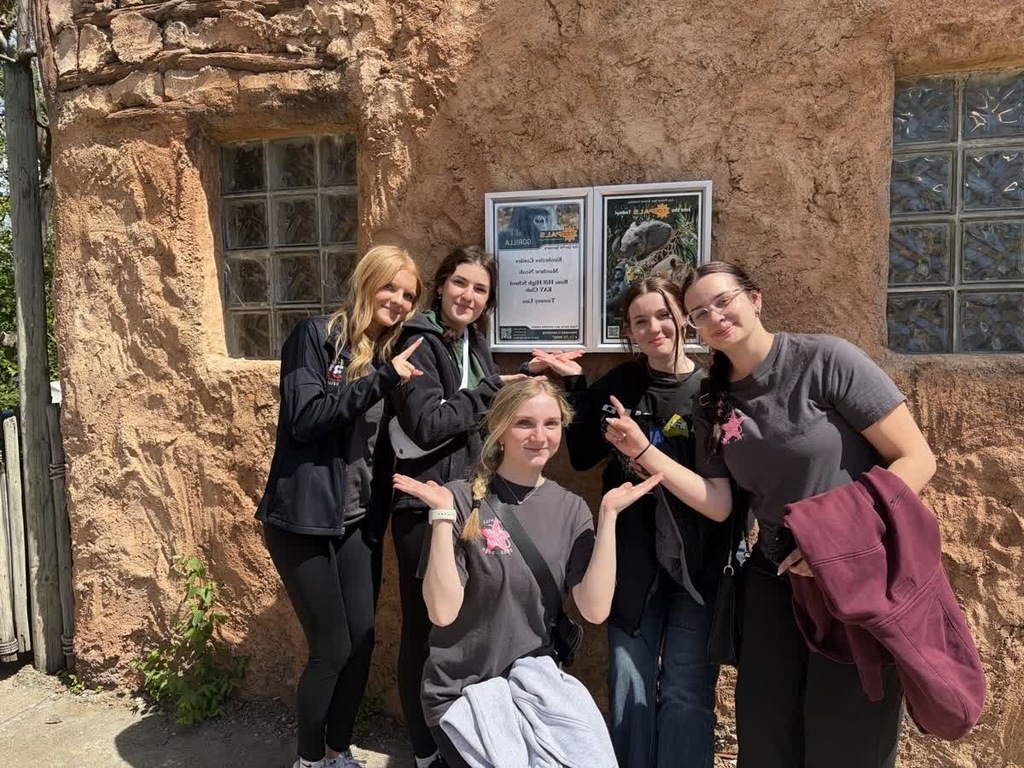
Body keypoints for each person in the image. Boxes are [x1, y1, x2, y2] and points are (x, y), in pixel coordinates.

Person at [603, 261, 937, 768]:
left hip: (854, 571)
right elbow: (718, 503)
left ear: (754, 298)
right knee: (765, 738)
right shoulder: (713, 402)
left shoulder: (825, 359)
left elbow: (916, 459)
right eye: (698, 313)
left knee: (846, 740)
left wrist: (836, 540)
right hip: (774, 576)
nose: (714, 317)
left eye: (722, 301)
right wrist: (643, 452)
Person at [392, 377, 663, 768]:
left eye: (551, 424)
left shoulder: (571, 509)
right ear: (499, 429)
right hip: (461, 692)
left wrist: (608, 517)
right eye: (525, 423)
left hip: (535, 687)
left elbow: (595, 608)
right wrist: (440, 516)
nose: (540, 436)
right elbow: (442, 612)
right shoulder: (458, 497)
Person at [529, 276, 724, 768]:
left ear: (683, 316)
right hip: (631, 564)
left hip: (696, 569)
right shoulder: (620, 384)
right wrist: (575, 385)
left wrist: (645, 448)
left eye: (663, 315)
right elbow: (581, 456)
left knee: (686, 690)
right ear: (629, 331)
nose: (654, 328)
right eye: (641, 321)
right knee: (629, 687)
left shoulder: (711, 392)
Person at [255, 245, 425, 768]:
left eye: (408, 295)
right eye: (391, 287)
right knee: (330, 649)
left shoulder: (389, 356)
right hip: (300, 520)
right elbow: (305, 418)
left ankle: (337, 749)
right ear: (367, 282)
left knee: (361, 641)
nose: (397, 301)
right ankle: (308, 760)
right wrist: (383, 379)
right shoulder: (314, 337)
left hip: (356, 522)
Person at [386, 246, 525, 768]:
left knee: (465, 625)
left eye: (481, 290)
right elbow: (428, 424)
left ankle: (461, 739)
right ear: (441, 285)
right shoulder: (416, 343)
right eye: (460, 284)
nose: (469, 296)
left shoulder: (474, 345)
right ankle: (425, 751)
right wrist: (491, 390)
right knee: (425, 629)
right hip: (421, 508)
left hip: (469, 501)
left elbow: (474, 414)